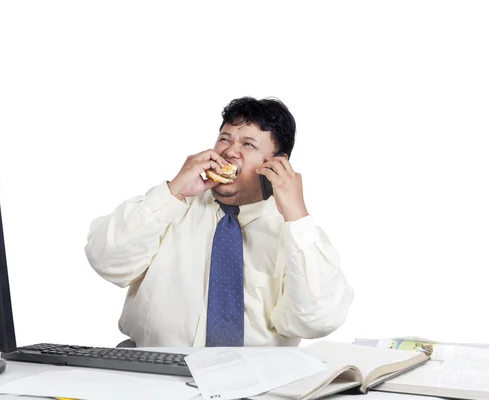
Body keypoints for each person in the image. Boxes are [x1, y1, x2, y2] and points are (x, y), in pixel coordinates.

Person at [85, 97, 354, 347]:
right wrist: (174, 191)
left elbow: (318, 320)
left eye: (248, 144)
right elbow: (106, 260)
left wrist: (297, 215)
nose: (230, 152)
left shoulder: (297, 234)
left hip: (257, 383)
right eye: (224, 139)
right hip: (152, 369)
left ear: (277, 163)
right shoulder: (170, 206)